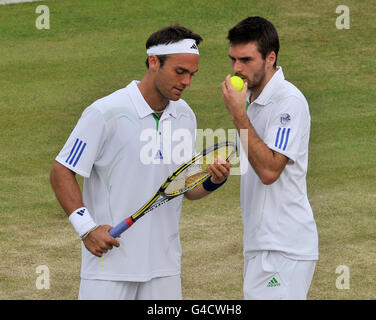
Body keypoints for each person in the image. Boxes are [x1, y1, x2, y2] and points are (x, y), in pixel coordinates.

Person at [50, 24, 231, 300]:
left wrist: (214, 180)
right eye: (180, 72)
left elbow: (184, 186)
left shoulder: (185, 116)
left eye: (192, 75)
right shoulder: (105, 112)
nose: (187, 82)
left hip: (164, 267)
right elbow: (61, 170)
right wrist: (86, 228)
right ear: (153, 62)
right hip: (109, 267)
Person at [221, 16, 318, 300]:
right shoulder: (252, 102)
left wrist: (238, 115)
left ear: (270, 58)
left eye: (246, 60)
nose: (237, 69)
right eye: (233, 60)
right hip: (262, 246)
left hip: (283, 247)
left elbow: (269, 171)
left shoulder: (289, 102)